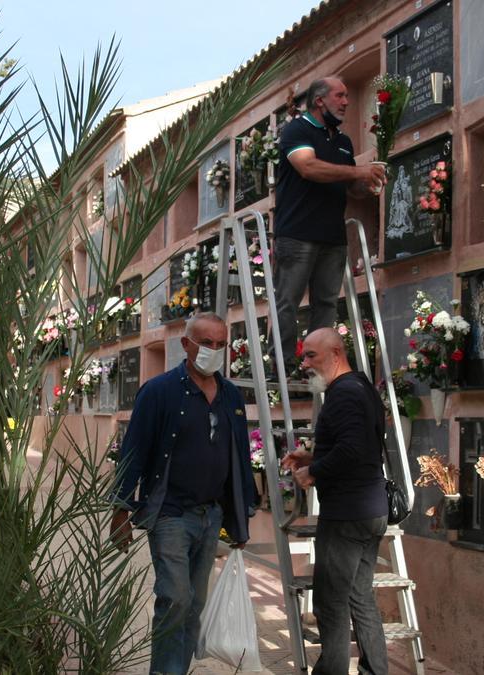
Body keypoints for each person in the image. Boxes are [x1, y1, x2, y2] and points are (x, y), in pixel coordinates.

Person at [110, 313, 258, 674]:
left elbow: (238, 457)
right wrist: (120, 510)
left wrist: (240, 518)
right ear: (186, 344)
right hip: (170, 513)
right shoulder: (159, 391)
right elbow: (134, 451)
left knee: (195, 603)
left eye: (221, 344)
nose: (214, 350)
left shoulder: (231, 396)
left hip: (211, 517)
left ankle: (177, 666)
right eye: (206, 343)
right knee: (175, 598)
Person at [282, 327, 388, 674]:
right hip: (369, 510)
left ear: (337, 354)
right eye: (304, 356)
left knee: (331, 603)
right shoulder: (361, 388)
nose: (306, 363)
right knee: (360, 598)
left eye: (312, 355)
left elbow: (352, 449)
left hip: (347, 514)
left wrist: (314, 473)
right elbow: (359, 447)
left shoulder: (343, 394)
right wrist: (312, 458)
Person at [273, 76, 386, 373]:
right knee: (288, 302)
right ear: (320, 100)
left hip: (333, 237)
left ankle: (318, 364)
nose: (346, 102)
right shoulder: (297, 129)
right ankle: (282, 367)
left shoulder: (344, 141)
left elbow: (351, 188)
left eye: (348, 96)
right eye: (340, 96)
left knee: (326, 305)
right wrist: (357, 171)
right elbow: (307, 167)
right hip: (297, 234)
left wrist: (370, 181)